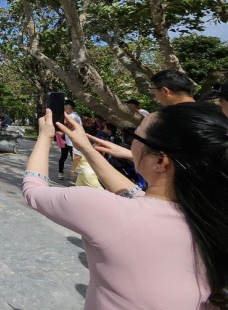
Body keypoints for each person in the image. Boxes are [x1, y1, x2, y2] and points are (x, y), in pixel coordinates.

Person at [23, 102, 228, 308]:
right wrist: (85, 147)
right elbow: (134, 196)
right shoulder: (210, 216)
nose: (130, 145)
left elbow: (33, 191)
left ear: (161, 161)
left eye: (135, 137)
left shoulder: (100, 208)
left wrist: (45, 136)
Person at [57, 99, 81, 180]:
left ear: (69, 107)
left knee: (73, 158)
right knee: (65, 157)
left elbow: (69, 126)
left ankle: (72, 174)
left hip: (72, 142)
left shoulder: (72, 116)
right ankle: (61, 173)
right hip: (68, 140)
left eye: (65, 107)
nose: (64, 108)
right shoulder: (75, 115)